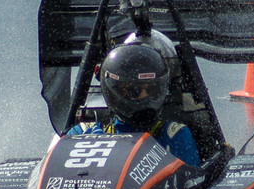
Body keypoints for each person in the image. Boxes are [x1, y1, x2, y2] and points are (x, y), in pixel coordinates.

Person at [69, 42, 201, 166]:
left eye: (152, 90)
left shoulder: (174, 137)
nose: (145, 97)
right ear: (115, 92)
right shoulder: (81, 134)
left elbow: (191, 181)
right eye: (134, 91)